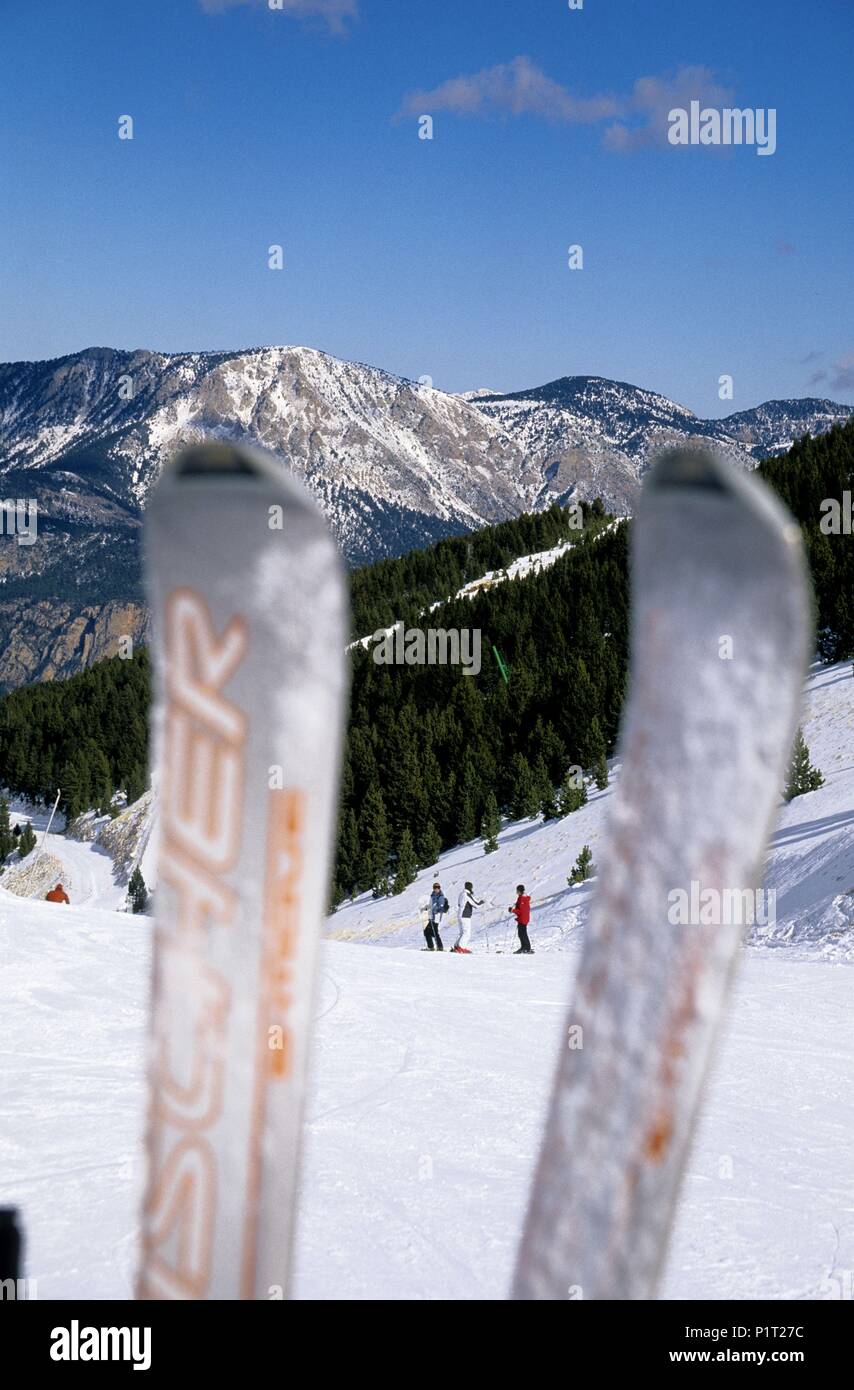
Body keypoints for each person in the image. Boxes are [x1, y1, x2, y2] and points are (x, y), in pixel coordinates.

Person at [453, 881, 484, 954]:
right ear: (470, 887)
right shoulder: (466, 894)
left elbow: (458, 904)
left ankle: (457, 946)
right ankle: (461, 947)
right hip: (465, 915)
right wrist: (482, 903)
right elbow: (476, 904)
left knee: (462, 933)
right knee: (466, 933)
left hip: (460, 914)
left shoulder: (461, 894)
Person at [425, 882, 449, 951]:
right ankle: (433, 946)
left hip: (437, 916)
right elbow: (431, 904)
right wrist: (427, 907)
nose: (436, 889)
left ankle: (438, 946)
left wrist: (435, 910)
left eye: (438, 887)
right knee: (429, 931)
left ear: (439, 888)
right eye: (435, 887)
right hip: (431, 916)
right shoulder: (432, 895)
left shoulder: (440, 896)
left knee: (431, 931)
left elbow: (440, 907)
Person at [509, 885, 533, 954]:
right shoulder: (521, 898)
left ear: (520, 891)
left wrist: (512, 910)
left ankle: (527, 948)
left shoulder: (522, 898)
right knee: (521, 933)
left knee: (522, 934)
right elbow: (519, 907)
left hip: (523, 918)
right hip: (523, 918)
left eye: (517, 891)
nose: (516, 892)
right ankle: (524, 947)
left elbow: (521, 911)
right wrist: (514, 907)